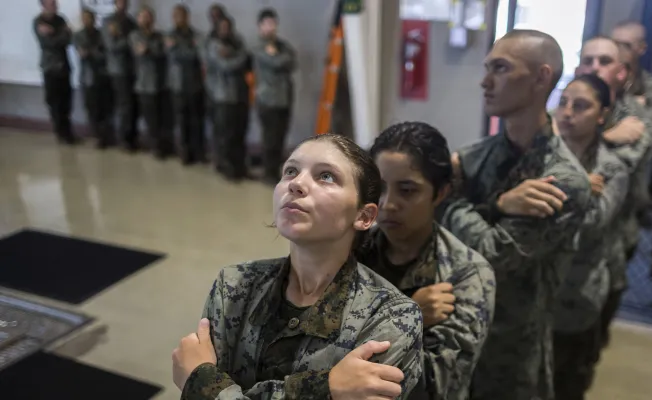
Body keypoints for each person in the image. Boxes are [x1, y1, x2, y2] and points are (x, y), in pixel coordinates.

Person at [172, 134, 423, 399]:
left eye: (326, 176)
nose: (297, 184)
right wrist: (328, 388)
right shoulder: (235, 285)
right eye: (290, 171)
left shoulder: (392, 318)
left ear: (364, 216)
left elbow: (200, 384)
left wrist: (200, 381)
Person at [436, 29, 591, 400]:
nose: (485, 81)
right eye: (487, 67)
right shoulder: (475, 156)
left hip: (510, 354)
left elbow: (493, 255)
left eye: (501, 69)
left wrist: (451, 202)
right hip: (452, 333)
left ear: (542, 77)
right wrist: (498, 206)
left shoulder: (563, 180)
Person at [358, 122, 496, 400]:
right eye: (380, 188)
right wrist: (408, 316)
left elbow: (435, 385)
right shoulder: (351, 250)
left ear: (441, 193)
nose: (387, 204)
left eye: (407, 190)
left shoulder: (465, 274)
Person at [574, 36, 652, 348]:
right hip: (562, 253)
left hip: (608, 249)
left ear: (621, 73)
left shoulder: (635, 116)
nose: (594, 67)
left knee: (587, 346)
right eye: (588, 60)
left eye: (604, 61)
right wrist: (605, 135)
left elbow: (616, 166)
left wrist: (586, 140)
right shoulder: (567, 109)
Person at [552, 74, 629, 400]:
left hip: (577, 296)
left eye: (580, 106)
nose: (567, 112)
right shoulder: (540, 157)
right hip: (533, 294)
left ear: (602, 116)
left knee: (569, 381)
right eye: (564, 102)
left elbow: (591, 224)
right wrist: (580, 185)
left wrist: (550, 193)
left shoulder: (612, 169)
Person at [611, 21, 652, 210]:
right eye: (614, 43)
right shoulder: (599, 80)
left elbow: (643, 135)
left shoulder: (650, 89)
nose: (617, 50)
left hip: (632, 183)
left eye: (625, 45)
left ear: (641, 49)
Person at [252, 8, 297, 183]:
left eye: (273, 23)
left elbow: (292, 60)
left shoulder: (282, 45)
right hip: (267, 100)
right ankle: (269, 174)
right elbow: (276, 62)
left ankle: (277, 170)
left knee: (280, 137)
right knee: (270, 139)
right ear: (260, 26)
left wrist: (278, 55)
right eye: (267, 24)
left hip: (284, 99)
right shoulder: (258, 46)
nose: (271, 27)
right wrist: (278, 57)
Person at [205, 16, 251, 181]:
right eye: (222, 27)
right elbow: (226, 66)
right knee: (225, 135)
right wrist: (240, 57)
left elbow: (246, 58)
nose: (225, 30)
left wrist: (235, 55)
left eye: (228, 27)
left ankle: (239, 166)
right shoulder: (213, 44)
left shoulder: (237, 42)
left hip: (240, 95)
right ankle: (225, 167)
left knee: (239, 133)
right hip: (222, 96)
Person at [130, 6, 173, 159]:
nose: (146, 20)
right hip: (144, 85)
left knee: (164, 117)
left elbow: (164, 52)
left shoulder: (159, 36)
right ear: (138, 19)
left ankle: (166, 145)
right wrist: (151, 49)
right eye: (143, 17)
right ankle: (156, 147)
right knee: (151, 118)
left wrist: (150, 49)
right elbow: (141, 51)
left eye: (149, 16)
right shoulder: (135, 35)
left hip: (161, 83)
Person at [166, 4, 206, 165]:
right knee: (181, 121)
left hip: (195, 84)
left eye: (182, 15)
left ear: (187, 17)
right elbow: (176, 55)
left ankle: (198, 153)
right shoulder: (169, 35)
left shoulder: (194, 34)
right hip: (177, 85)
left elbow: (199, 54)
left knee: (196, 121)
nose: (179, 19)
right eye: (176, 16)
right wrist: (189, 49)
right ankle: (184, 154)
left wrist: (184, 49)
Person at [33, 0, 76, 145]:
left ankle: (68, 132)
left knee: (66, 101)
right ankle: (60, 133)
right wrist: (62, 34)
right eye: (52, 4)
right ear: (44, 5)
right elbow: (48, 44)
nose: (55, 6)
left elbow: (68, 39)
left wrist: (55, 33)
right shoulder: (38, 21)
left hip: (64, 66)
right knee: (54, 101)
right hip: (50, 67)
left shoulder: (60, 19)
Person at [74, 8, 114, 149]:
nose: (87, 21)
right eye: (84, 18)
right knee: (92, 109)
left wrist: (91, 52)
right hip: (87, 78)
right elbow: (82, 53)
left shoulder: (101, 34)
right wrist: (93, 52)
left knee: (105, 108)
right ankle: (97, 136)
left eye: (90, 18)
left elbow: (104, 54)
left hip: (102, 76)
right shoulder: (78, 35)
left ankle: (106, 135)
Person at [103, 0, 139, 151]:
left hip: (133, 69)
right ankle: (124, 139)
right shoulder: (108, 21)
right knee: (124, 105)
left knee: (133, 105)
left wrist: (124, 38)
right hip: (118, 69)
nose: (123, 4)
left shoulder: (131, 21)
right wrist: (129, 40)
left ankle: (132, 137)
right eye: (120, 1)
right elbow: (112, 46)